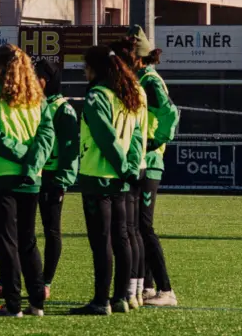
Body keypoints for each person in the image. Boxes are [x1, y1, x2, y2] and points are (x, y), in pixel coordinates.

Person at [0, 44, 54, 317]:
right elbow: (47, 135)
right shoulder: (37, 97)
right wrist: (31, 162)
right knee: (28, 241)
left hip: (0, 177)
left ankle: (13, 304)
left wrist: (21, 157)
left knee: (6, 242)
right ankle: (36, 303)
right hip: (30, 179)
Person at [69, 45, 145, 317]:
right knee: (121, 238)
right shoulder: (124, 95)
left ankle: (101, 301)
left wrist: (123, 167)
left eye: (85, 67)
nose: (84, 72)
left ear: (95, 69)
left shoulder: (96, 96)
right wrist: (130, 169)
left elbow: (105, 138)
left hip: (98, 178)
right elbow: (136, 137)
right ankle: (121, 298)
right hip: (121, 181)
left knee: (102, 242)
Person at [123, 25, 181, 308]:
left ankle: (166, 290)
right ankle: (147, 287)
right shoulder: (141, 79)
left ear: (137, 56)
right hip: (143, 161)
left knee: (144, 227)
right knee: (137, 227)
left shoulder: (150, 81)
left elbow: (170, 113)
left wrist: (153, 141)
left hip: (150, 161)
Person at [33, 59, 79, 301]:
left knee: (51, 230)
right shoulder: (32, 104)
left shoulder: (63, 109)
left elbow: (70, 150)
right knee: (20, 231)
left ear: (48, 80)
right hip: (31, 175)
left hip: (51, 177)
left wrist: (62, 180)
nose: (32, 80)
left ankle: (45, 282)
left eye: (37, 76)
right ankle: (10, 280)